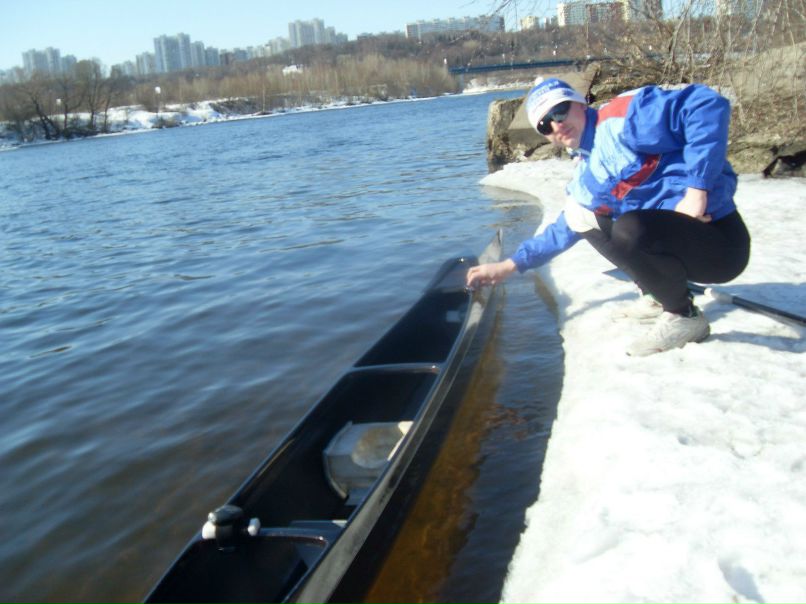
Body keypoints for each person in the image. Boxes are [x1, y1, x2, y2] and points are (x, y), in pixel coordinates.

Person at [466, 78, 751, 356]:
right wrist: (510, 266)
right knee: (580, 214)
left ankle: (683, 316)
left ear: (580, 103)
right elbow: (564, 229)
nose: (556, 125)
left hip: (721, 245)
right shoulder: (588, 170)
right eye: (545, 125)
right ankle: (658, 294)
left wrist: (697, 191)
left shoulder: (622, 119)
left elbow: (705, 105)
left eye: (560, 111)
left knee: (629, 228)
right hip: (676, 244)